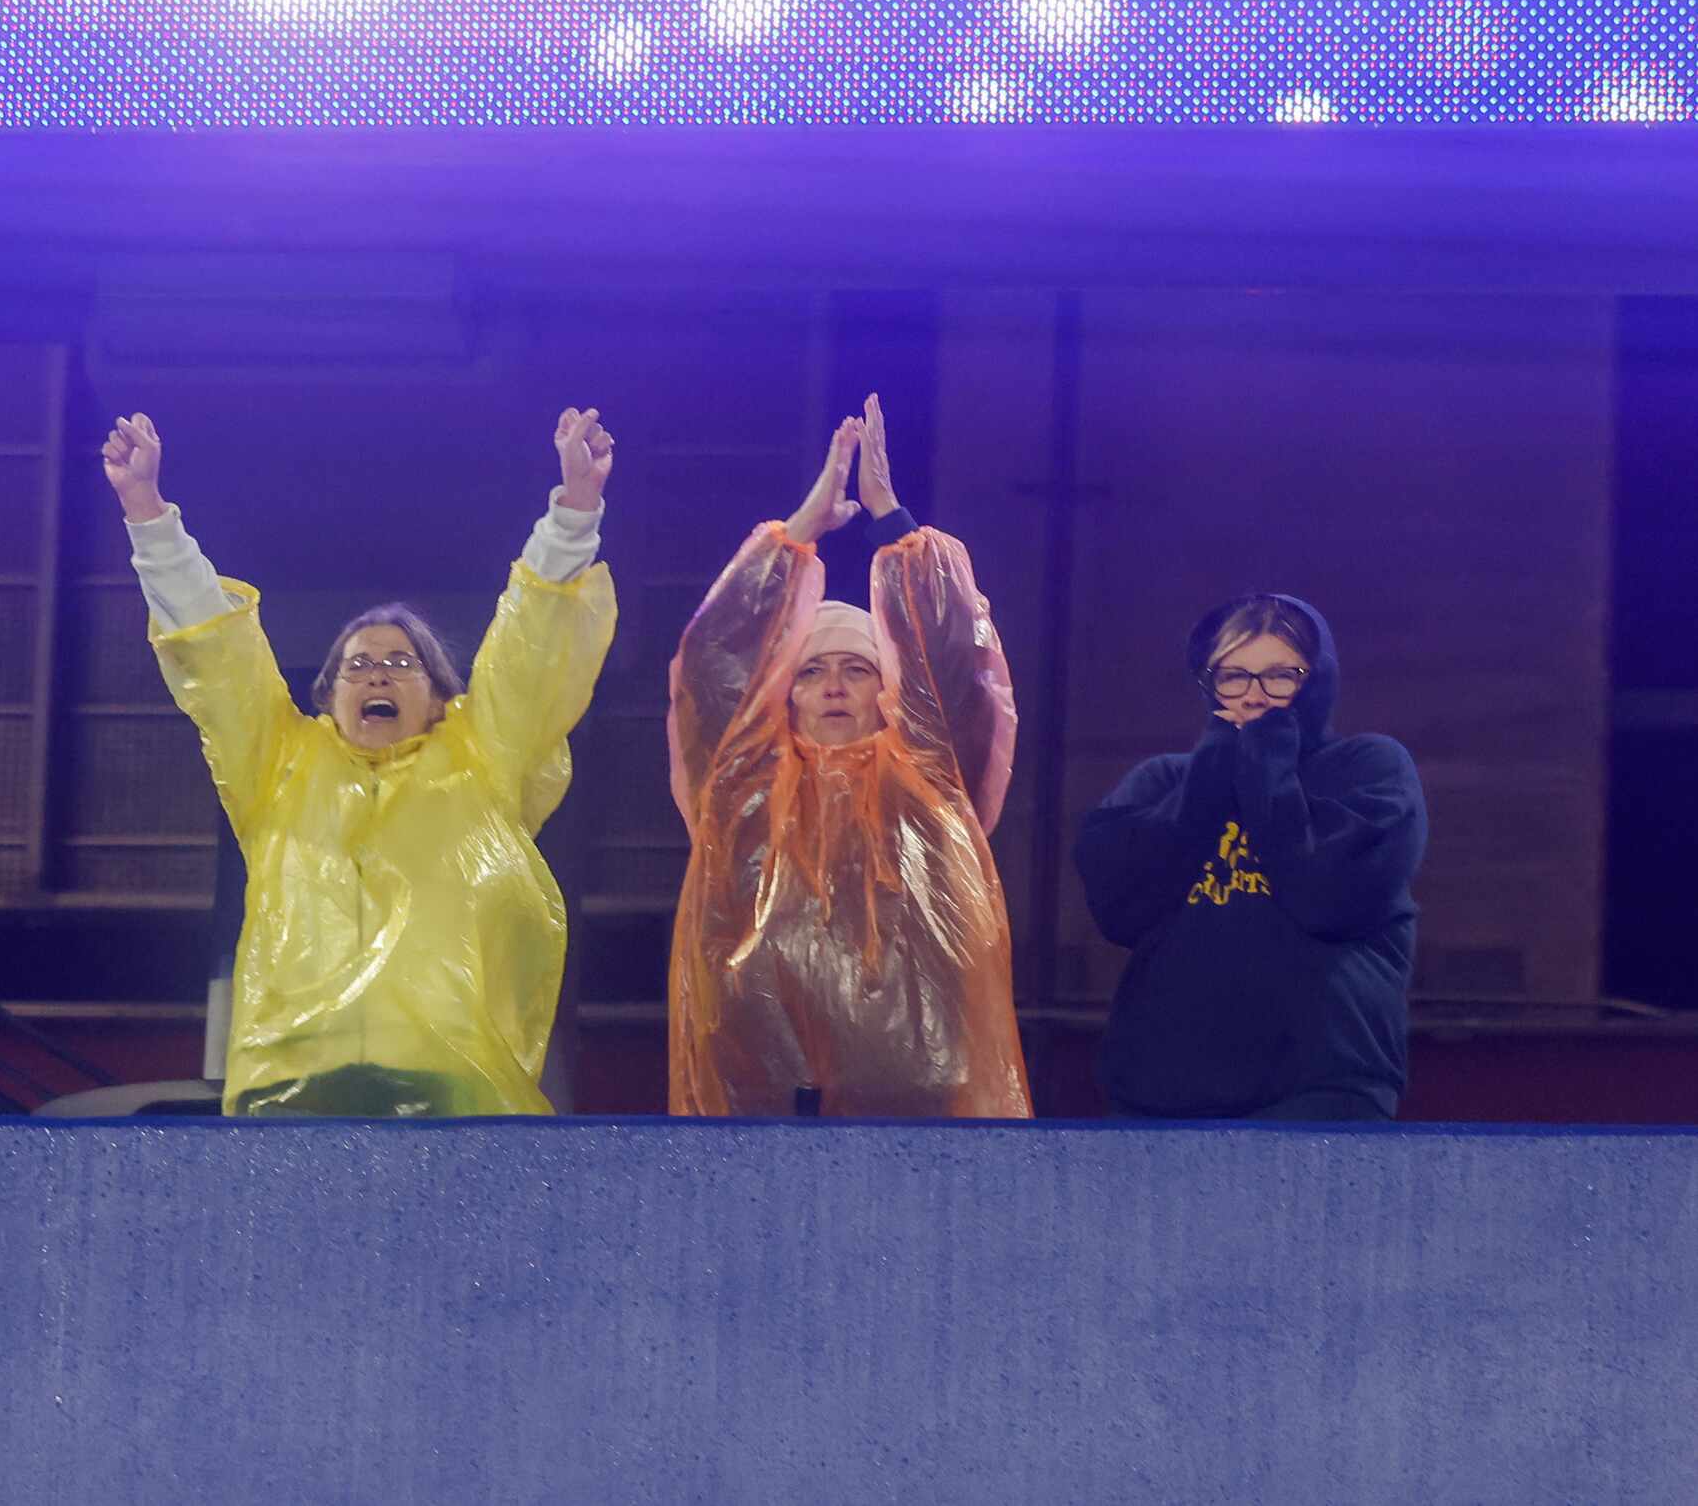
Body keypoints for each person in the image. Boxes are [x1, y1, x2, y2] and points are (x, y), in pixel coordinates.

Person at [100, 406, 618, 1118]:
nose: (377, 674)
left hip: (457, 1097)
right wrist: (148, 515)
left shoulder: (483, 760)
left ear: (440, 694)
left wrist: (573, 514)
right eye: (358, 665)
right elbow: (215, 649)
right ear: (328, 696)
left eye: (401, 662)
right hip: (292, 1093)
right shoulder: (279, 765)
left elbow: (530, 641)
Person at [666, 394, 1031, 1118]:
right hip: (758, 1087)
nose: (833, 685)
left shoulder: (930, 778)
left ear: (885, 689)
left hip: (916, 1089)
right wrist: (798, 533)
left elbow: (958, 661)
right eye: (811, 670)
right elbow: (714, 659)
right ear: (785, 692)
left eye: (856, 668)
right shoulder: (741, 786)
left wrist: (894, 520)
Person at [1075, 593, 1426, 1121]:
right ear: (1209, 682)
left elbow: (1327, 897)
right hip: (1158, 1097)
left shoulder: (1369, 769)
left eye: (1281, 675)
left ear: (1317, 680)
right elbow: (1121, 910)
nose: (1255, 697)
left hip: (1321, 1091)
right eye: (1234, 675)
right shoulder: (1161, 782)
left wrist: (1267, 765)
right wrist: (1216, 768)